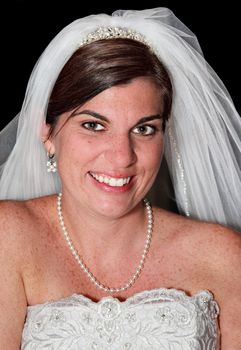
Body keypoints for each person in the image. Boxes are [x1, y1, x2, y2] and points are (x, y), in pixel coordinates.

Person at [0, 7, 240, 349]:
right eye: (93, 125)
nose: (122, 156)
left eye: (144, 129)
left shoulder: (223, 256)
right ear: (48, 133)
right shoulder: (8, 236)